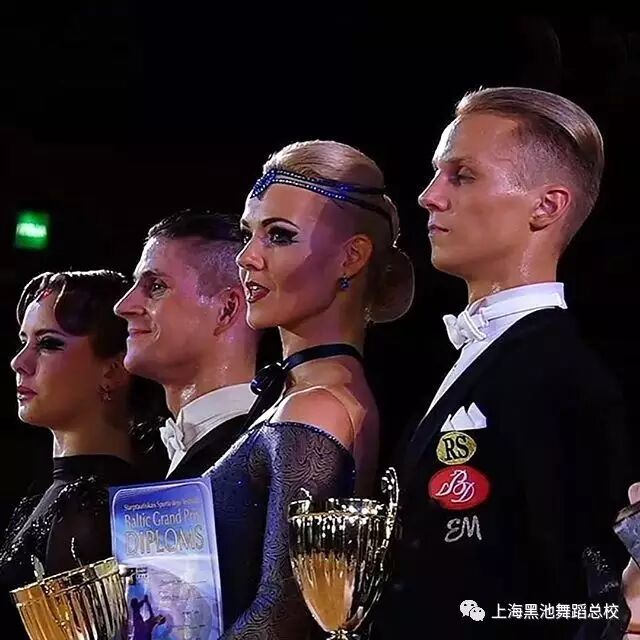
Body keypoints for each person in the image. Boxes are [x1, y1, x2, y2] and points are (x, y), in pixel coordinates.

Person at [371, 87, 632, 640]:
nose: (428, 196)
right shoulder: (477, 356)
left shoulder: (562, 377)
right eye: (437, 174)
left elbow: (588, 603)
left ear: (546, 206)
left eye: (462, 176)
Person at [201, 139, 414, 638]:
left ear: (351, 257)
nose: (247, 258)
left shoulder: (321, 409)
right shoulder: (305, 398)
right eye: (248, 234)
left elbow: (285, 617)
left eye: (278, 236)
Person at [1, 270, 165, 637]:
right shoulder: (65, 496)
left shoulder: (92, 509)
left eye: (48, 344)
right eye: (24, 341)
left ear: (113, 370)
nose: (19, 362)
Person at [114, 210, 258, 479]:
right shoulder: (159, 454)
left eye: (156, 286)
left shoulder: (261, 450)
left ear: (226, 309)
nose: (123, 307)